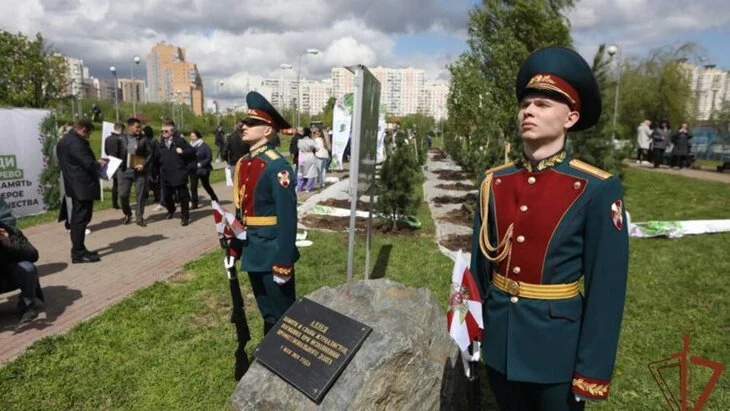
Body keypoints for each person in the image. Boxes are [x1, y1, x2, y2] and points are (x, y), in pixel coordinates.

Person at [470, 46, 628, 411]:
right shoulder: (495, 182)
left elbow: (607, 289)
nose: (529, 111)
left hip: (556, 351)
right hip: (500, 339)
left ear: (570, 117)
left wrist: (592, 372)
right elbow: (480, 267)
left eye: (543, 105)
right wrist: (474, 328)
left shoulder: (595, 188)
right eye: (526, 103)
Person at [234, 91, 299, 335]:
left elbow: (288, 218)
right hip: (253, 248)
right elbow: (243, 208)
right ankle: (271, 359)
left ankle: (288, 359)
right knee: (267, 311)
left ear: (268, 130)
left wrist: (283, 261)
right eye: (244, 122)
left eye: (251, 123)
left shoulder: (276, 166)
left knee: (284, 315)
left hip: (272, 251)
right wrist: (235, 242)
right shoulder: (247, 162)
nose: (244, 126)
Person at [56, 119, 107, 263]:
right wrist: (98, 164)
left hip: (75, 184)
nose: (88, 137)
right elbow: (87, 163)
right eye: (88, 134)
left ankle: (80, 249)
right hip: (82, 186)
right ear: (84, 129)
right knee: (80, 220)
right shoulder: (76, 143)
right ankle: (78, 253)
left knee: (79, 218)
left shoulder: (65, 140)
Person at [0, 220, 44, 324]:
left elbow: (33, 255)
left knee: (28, 268)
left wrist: (10, 245)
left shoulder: (10, 231)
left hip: (10, 276)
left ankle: (27, 305)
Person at [114, 117, 154, 226]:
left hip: (139, 171)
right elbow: (115, 153)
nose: (139, 129)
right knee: (122, 195)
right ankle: (127, 213)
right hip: (124, 171)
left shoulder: (144, 139)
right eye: (137, 127)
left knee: (140, 194)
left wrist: (143, 164)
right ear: (130, 127)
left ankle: (139, 216)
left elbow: (150, 154)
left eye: (139, 127)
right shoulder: (121, 138)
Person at [155, 120, 196, 226]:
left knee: (183, 197)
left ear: (172, 131)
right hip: (166, 174)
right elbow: (156, 158)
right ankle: (171, 209)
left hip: (179, 172)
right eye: (162, 131)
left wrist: (183, 152)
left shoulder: (180, 141)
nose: (163, 133)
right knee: (167, 196)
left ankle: (185, 217)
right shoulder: (160, 144)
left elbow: (192, 152)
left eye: (166, 131)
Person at [188, 129, 219, 209]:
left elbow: (209, 158)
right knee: (193, 187)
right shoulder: (189, 146)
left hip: (203, 169)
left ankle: (214, 198)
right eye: (191, 135)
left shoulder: (204, 146)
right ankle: (194, 204)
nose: (191, 137)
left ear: (197, 136)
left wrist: (200, 164)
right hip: (193, 169)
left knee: (206, 185)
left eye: (193, 135)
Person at [222, 119, 250, 187]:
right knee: (247, 184)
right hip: (246, 162)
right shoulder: (247, 136)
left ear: (235, 126)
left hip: (234, 163)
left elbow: (224, 151)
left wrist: (227, 160)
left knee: (236, 185)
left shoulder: (230, 137)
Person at [103, 122, 125, 209]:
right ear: (121, 129)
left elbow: (106, 151)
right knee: (121, 184)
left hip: (111, 162)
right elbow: (122, 152)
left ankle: (114, 203)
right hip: (119, 163)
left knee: (115, 184)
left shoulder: (107, 138)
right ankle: (122, 203)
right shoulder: (120, 139)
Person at [296, 127, 318, 192]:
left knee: (300, 172)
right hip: (310, 156)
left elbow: (299, 148)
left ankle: (299, 188)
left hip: (302, 156)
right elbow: (317, 148)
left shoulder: (300, 141)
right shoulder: (311, 141)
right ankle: (308, 189)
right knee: (311, 172)